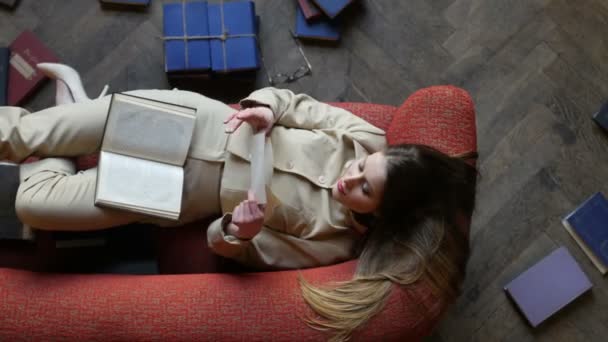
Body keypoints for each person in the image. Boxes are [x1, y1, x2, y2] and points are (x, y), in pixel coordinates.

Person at [0, 64, 477, 341]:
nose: (349, 179)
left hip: (179, 191)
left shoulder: (334, 245)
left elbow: (237, 249)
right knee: (22, 134)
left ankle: (72, 104)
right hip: (193, 121)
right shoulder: (367, 138)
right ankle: (68, 114)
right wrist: (268, 106)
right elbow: (294, 103)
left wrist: (236, 233)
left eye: (365, 190)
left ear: (382, 213)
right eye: (359, 169)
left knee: (33, 205)